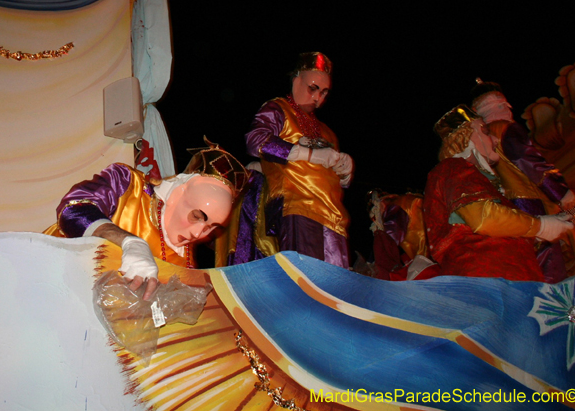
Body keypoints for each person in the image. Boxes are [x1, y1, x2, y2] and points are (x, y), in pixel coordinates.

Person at [56, 140, 248, 299]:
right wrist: (128, 242)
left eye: (211, 228)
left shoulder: (186, 261)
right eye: (197, 216)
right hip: (56, 280)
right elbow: (72, 209)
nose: (198, 234)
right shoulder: (128, 186)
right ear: (178, 192)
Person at [471, 79, 575, 276]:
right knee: (547, 261)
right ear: (501, 105)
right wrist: (559, 190)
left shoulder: (478, 140)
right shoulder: (505, 128)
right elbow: (527, 159)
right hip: (527, 203)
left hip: (503, 210)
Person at [423, 105, 574, 281]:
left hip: (513, 281)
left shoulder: (480, 183)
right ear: (466, 136)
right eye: (486, 132)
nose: (495, 140)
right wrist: (541, 226)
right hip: (490, 281)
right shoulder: (454, 168)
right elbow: (483, 217)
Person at [245, 52, 353, 268]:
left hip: (335, 219)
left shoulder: (327, 132)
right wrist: (309, 155)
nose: (318, 99)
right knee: (306, 283)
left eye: (324, 93)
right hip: (298, 208)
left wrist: (346, 172)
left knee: (336, 292)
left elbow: (337, 179)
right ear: (296, 79)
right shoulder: (277, 109)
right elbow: (255, 141)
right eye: (313, 88)